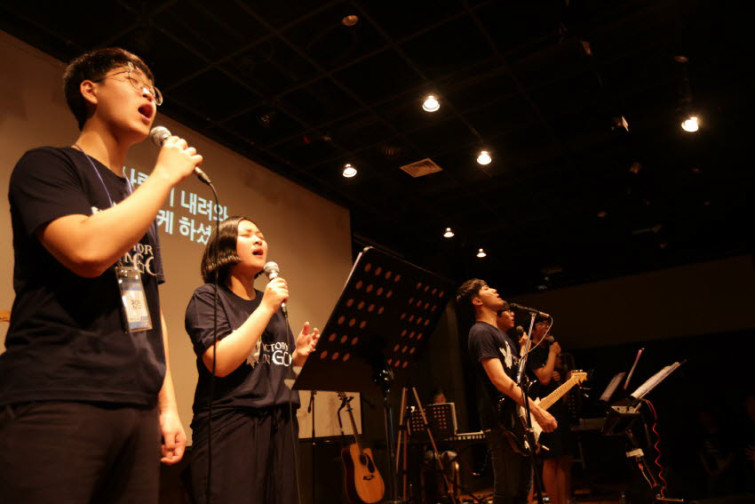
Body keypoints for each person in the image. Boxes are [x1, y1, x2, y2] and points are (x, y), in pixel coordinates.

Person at [0, 47, 197, 503]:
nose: (147, 93)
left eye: (153, 89)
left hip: (137, 406)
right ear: (89, 90)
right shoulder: (47, 166)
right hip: (58, 393)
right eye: (132, 79)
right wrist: (163, 178)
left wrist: (167, 406)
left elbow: (149, 308)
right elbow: (87, 251)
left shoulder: (136, 198)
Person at [185, 216, 320, 504]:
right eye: (247, 234)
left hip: (282, 422)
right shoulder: (208, 297)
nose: (259, 239)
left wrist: (297, 357)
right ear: (224, 248)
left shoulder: (269, 303)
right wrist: (266, 307)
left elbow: (268, 363)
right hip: (233, 423)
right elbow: (220, 363)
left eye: (261, 235)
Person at [457, 279, 557, 504]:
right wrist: (538, 412)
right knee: (507, 493)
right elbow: (499, 380)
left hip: (516, 421)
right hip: (500, 422)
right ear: (477, 300)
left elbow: (515, 381)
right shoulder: (480, 332)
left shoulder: (503, 337)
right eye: (486, 288)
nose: (494, 289)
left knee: (522, 491)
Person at [527, 316, 575, 504]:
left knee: (564, 458)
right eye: (541, 324)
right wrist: (553, 354)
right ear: (532, 330)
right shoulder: (532, 351)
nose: (546, 326)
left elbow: (555, 375)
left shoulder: (549, 350)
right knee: (551, 458)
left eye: (547, 323)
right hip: (544, 409)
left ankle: (564, 499)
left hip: (559, 408)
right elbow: (544, 378)